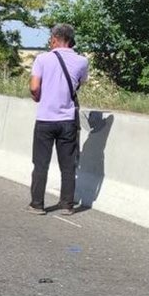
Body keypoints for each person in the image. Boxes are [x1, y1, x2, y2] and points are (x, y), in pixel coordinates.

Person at [28, 23, 89, 215]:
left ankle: (37, 204)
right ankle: (67, 205)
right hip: (67, 120)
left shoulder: (42, 59)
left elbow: (34, 87)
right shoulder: (82, 61)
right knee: (68, 165)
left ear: (54, 39)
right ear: (71, 40)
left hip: (45, 118)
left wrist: (38, 98)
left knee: (41, 163)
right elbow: (81, 82)